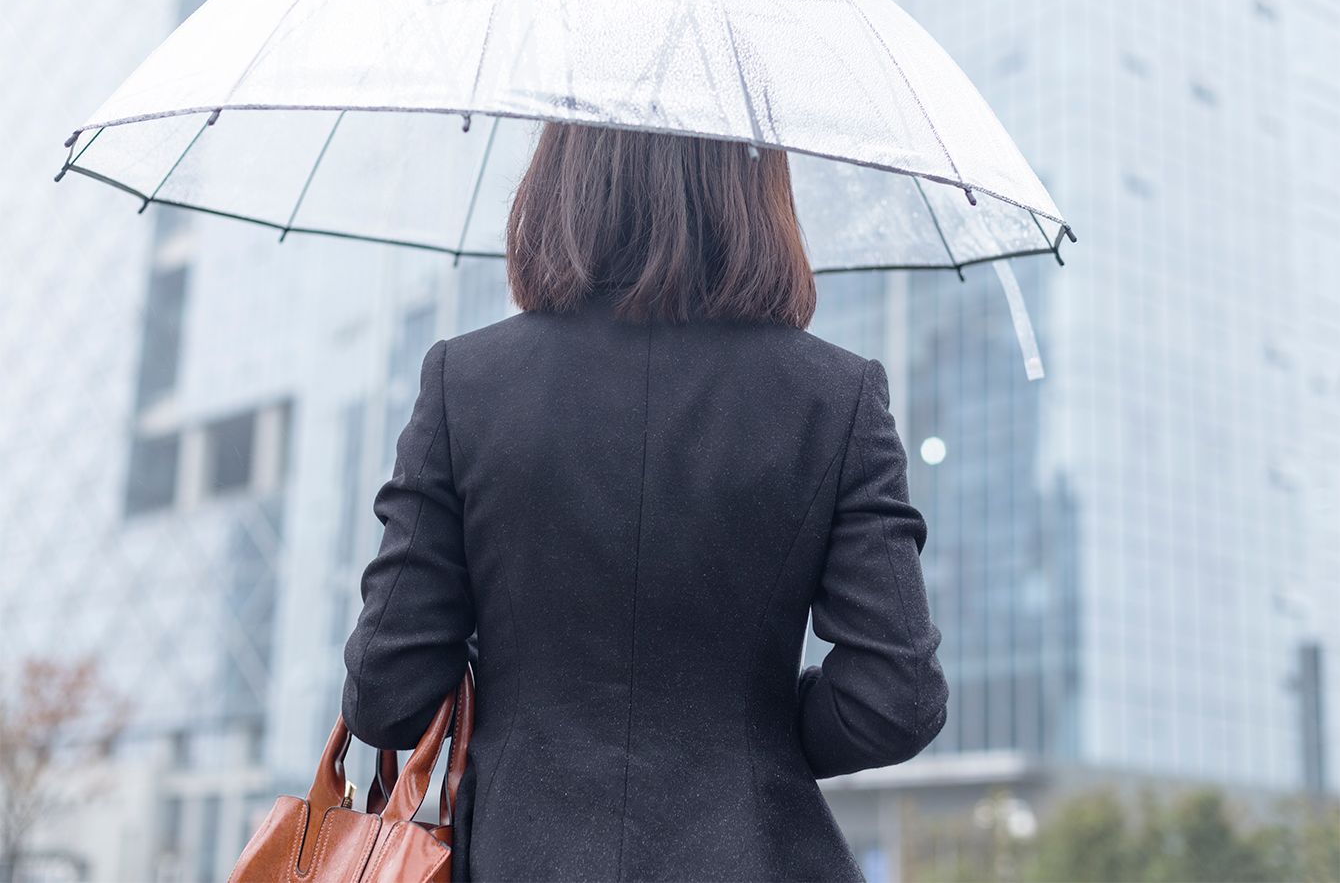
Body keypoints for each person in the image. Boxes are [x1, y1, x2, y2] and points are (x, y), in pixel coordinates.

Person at [340, 121, 949, 882]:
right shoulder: (837, 397)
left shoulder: (465, 383)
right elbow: (898, 698)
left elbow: (386, 696)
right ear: (757, 184)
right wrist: (748, 738)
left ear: (563, 176)